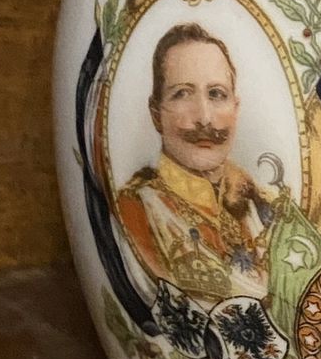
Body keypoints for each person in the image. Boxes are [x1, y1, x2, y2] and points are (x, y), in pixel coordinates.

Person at [116, 22, 276, 307]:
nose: (204, 118)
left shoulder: (262, 204)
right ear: (156, 114)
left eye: (216, 94)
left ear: (235, 108)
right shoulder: (137, 209)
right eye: (182, 93)